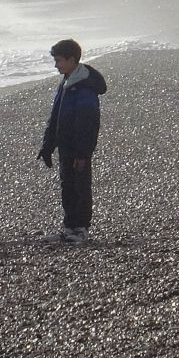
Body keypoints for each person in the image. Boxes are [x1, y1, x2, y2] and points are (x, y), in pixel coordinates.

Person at [38, 39, 107, 244]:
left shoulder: (84, 86)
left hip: (78, 149)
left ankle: (81, 229)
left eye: (59, 61)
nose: (56, 65)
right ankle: (69, 227)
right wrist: (47, 146)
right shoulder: (67, 80)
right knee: (67, 186)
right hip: (65, 147)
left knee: (80, 188)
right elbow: (56, 116)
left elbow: (89, 124)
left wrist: (82, 153)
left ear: (72, 59)